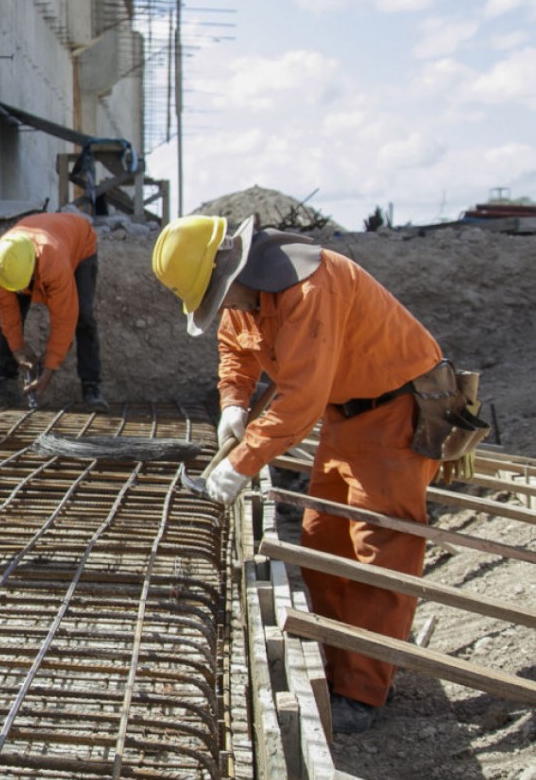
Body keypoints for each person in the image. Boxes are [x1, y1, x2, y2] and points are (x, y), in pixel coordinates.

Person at [152, 213, 463, 734]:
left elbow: (299, 401)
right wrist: (233, 401)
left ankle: (363, 692)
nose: (222, 308)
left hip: (398, 410)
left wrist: (241, 464)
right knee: (323, 542)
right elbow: (235, 347)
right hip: (347, 411)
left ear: (233, 271)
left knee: (378, 550)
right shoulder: (250, 294)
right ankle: (341, 666)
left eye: (218, 297)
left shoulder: (310, 289)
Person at [0, 211, 107, 411]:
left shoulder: (54, 265)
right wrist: (18, 349)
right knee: (13, 315)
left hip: (79, 242)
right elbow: (7, 312)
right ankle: (6, 385)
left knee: (83, 316)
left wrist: (49, 369)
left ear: (33, 270)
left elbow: (64, 318)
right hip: (40, 244)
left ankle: (92, 387)